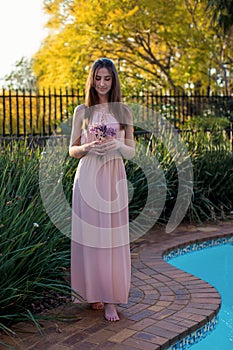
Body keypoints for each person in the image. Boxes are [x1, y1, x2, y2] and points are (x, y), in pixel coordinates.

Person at [69, 58, 135, 321]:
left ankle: (111, 299)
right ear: (92, 79)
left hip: (113, 180)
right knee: (90, 238)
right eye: (98, 78)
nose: (102, 83)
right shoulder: (81, 111)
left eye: (107, 78)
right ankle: (92, 292)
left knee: (111, 239)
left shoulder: (124, 112)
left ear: (114, 80)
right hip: (87, 178)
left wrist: (117, 146)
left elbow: (131, 152)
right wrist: (86, 148)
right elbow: (72, 150)